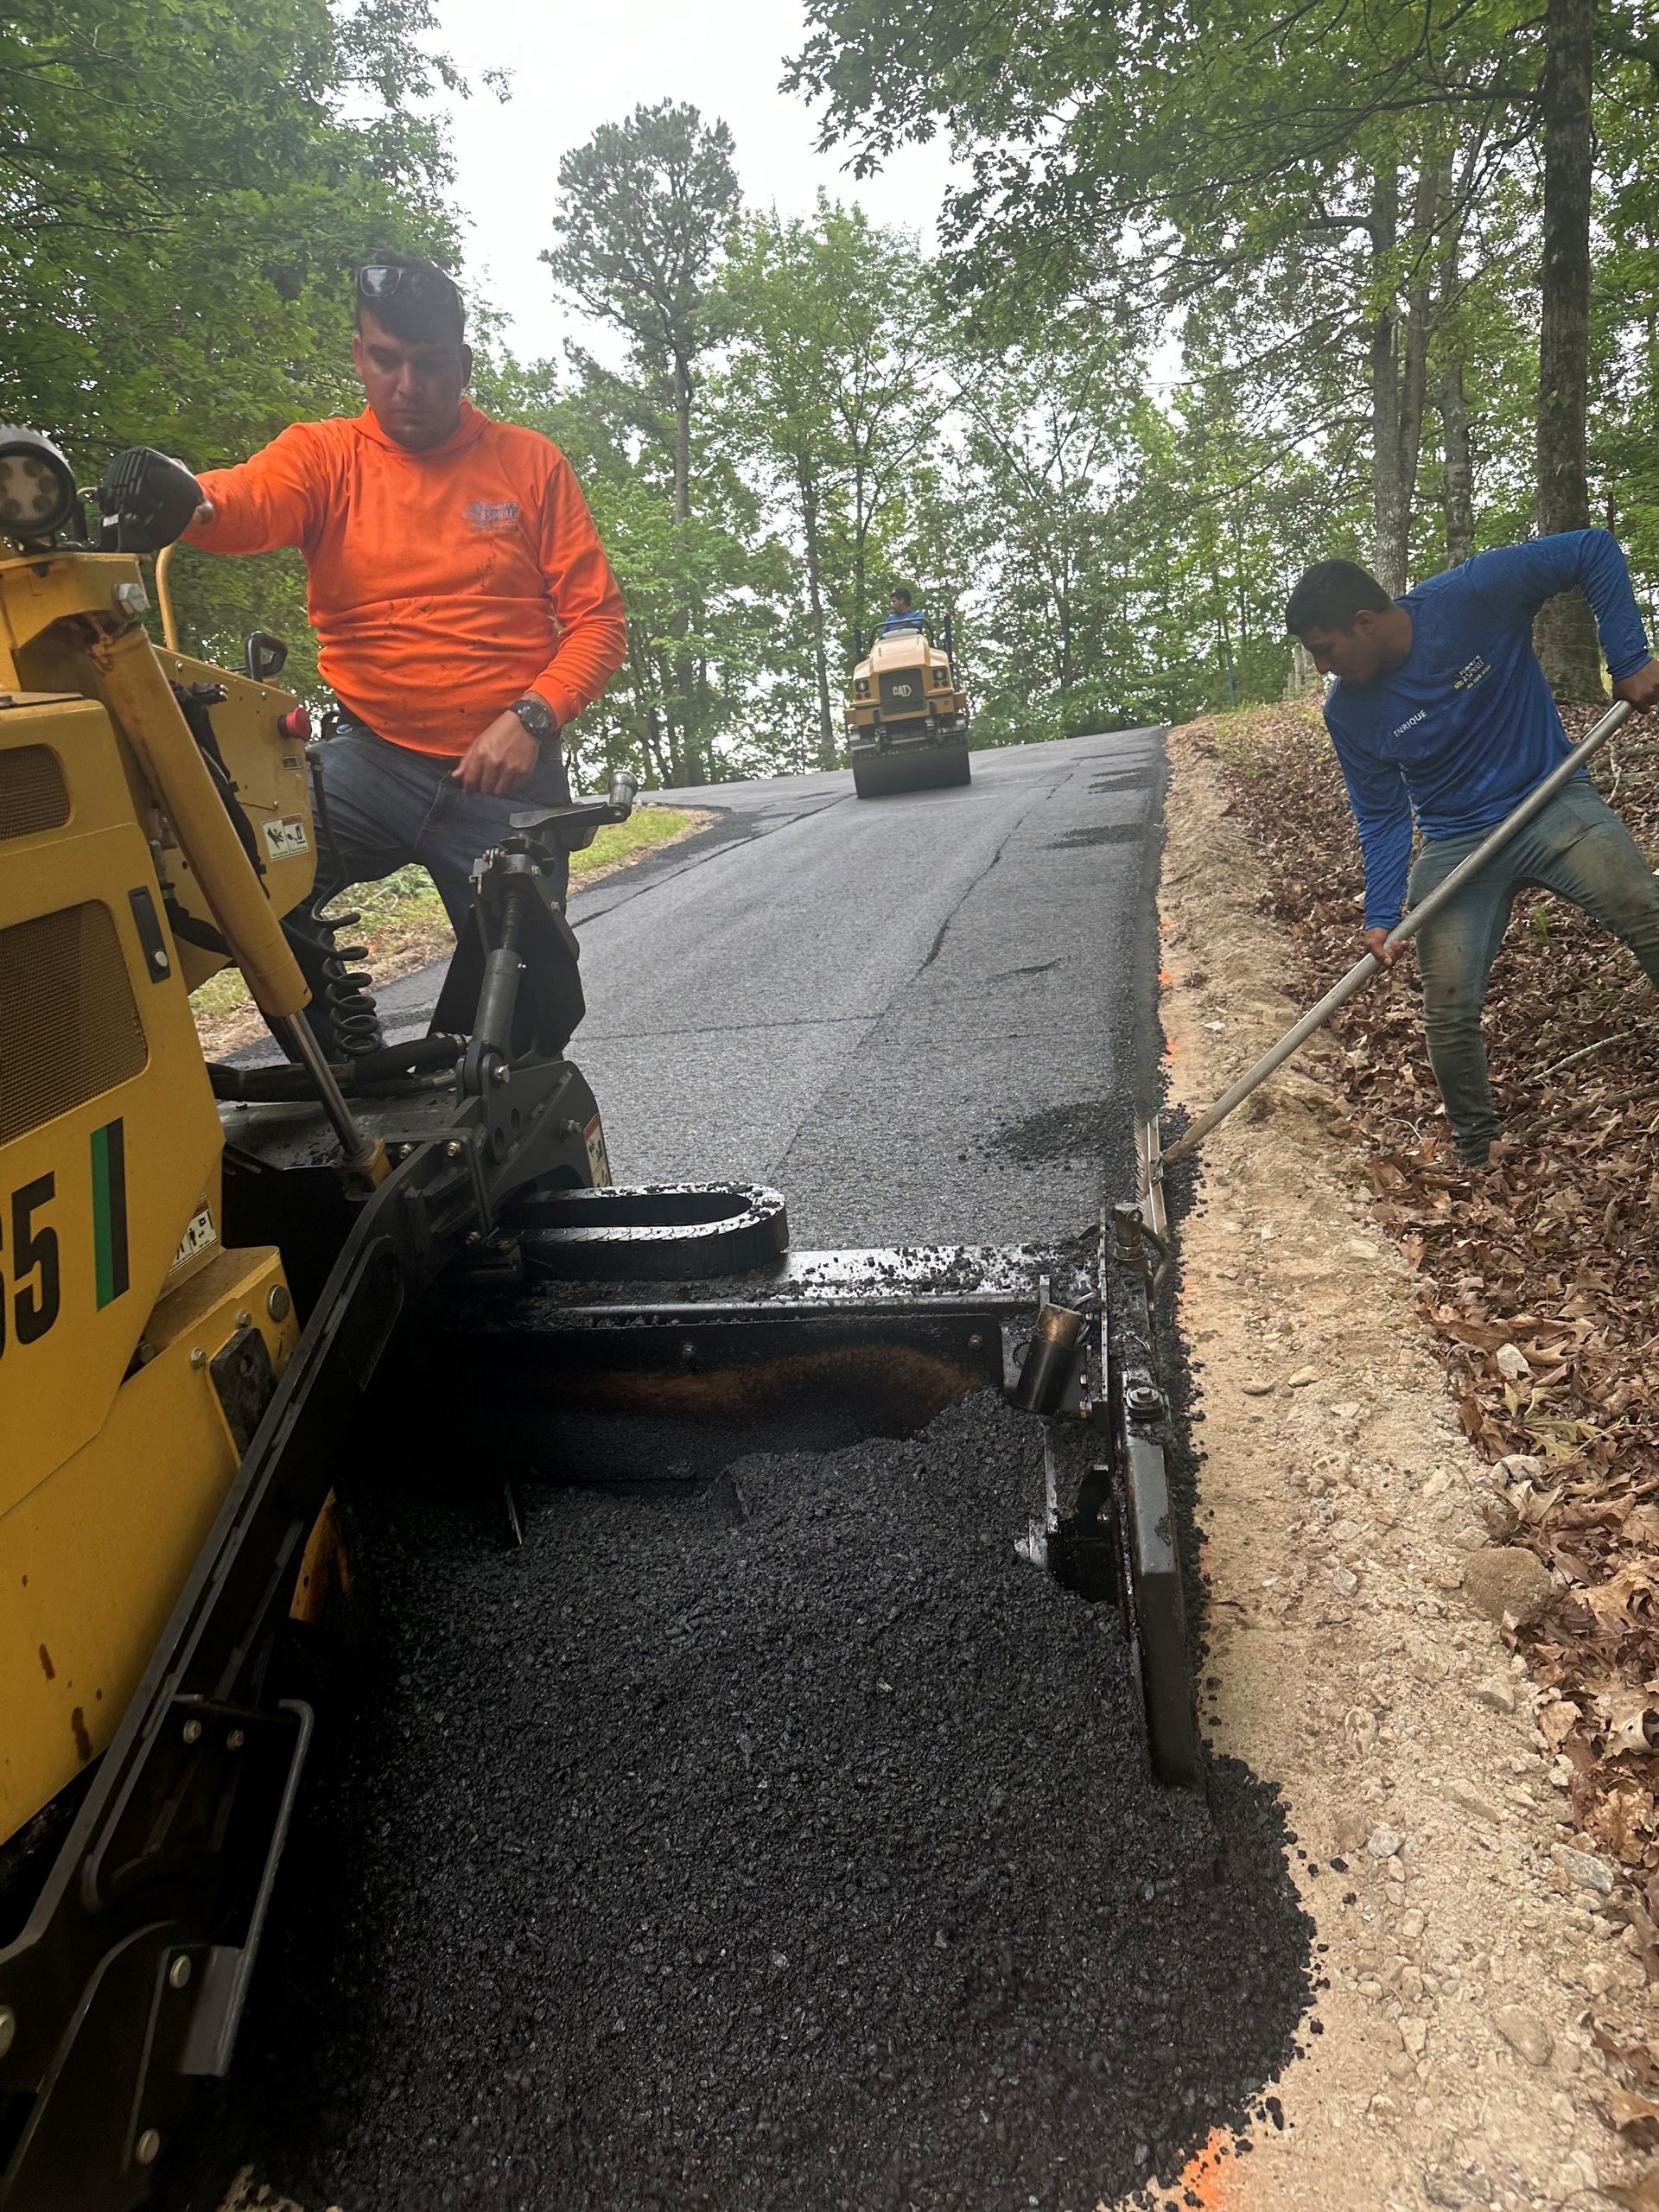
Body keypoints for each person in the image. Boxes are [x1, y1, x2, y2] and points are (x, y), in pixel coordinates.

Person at [185, 251, 627, 1039]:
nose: (406, 386)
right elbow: (246, 501)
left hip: (507, 780)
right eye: (385, 362)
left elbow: (598, 622)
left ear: (461, 362)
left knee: (533, 1008)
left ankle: (513, 1127)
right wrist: (187, 500)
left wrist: (531, 719)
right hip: (369, 762)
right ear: (359, 354)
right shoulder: (323, 458)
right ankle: (341, 1068)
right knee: (235, 866)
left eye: (428, 365)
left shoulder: (529, 463)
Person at [1285, 537, 1659, 1167]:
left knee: (1644, 907)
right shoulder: (1349, 712)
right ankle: (1478, 1149)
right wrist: (1381, 913)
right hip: (1457, 842)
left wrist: (1629, 654)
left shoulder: (1474, 594)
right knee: (1448, 1008)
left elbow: (1593, 551)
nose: (1323, 668)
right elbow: (1380, 817)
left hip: (1549, 799)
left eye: (1325, 651)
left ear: (1364, 622)